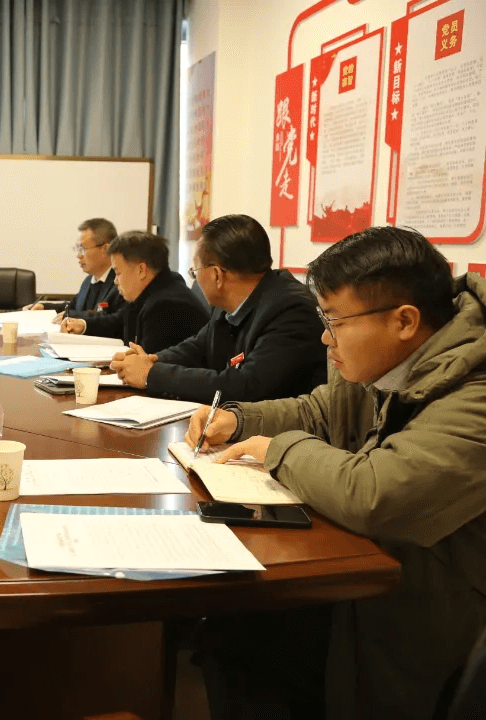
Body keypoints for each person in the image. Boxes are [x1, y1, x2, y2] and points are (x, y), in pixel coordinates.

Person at [186, 226, 486, 719]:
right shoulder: (394, 359)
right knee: (229, 632)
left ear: (404, 320)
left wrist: (277, 449)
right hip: (376, 578)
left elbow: (376, 493)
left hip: (431, 621)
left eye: (334, 321)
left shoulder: (475, 391)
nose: (325, 337)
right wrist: (238, 420)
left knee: (245, 644)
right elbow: (320, 412)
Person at [111, 214, 326, 403]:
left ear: (216, 275)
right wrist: (151, 360)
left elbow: (246, 386)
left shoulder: (291, 311)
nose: (195, 279)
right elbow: (198, 347)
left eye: (195, 271)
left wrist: (152, 374)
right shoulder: (228, 302)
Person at [61, 231, 208, 353]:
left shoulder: (166, 307)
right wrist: (83, 325)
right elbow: (118, 322)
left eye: (118, 273)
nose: (115, 281)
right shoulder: (153, 290)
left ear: (141, 270)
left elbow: (148, 367)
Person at [24, 217, 126, 321]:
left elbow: (113, 320)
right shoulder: (88, 281)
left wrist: (72, 316)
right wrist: (44, 307)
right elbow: (74, 306)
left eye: (83, 249)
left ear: (106, 249)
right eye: (78, 249)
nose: (79, 255)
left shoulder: (121, 283)